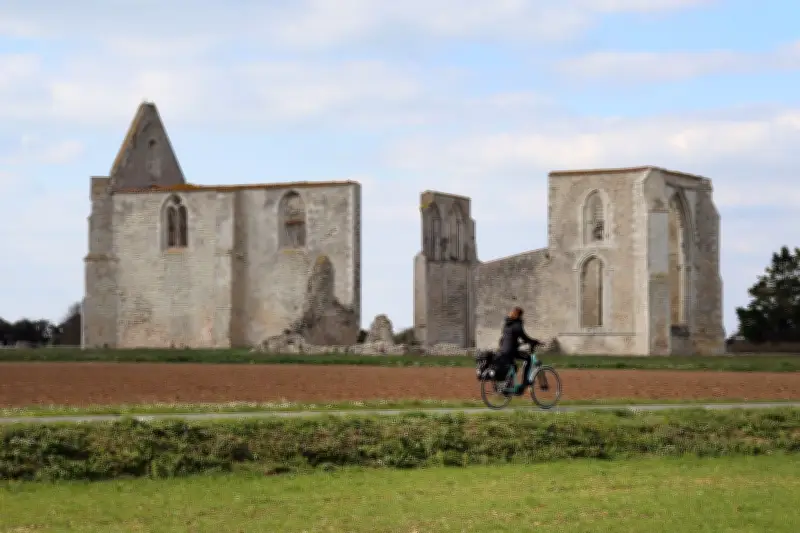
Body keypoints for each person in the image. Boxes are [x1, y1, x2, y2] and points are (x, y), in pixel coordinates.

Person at [497, 306, 541, 395]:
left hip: (503, 350)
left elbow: (507, 338)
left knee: (513, 366)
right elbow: (524, 337)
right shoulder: (517, 325)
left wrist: (518, 343)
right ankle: (525, 382)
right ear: (520, 315)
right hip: (511, 351)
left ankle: (510, 387)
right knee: (528, 358)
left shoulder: (507, 323)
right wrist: (534, 341)